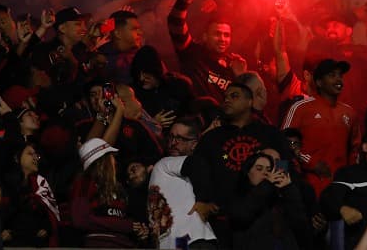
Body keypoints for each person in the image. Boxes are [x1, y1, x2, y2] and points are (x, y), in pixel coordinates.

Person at [181, 82, 290, 248]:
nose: (227, 100)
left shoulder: (270, 134)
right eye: (225, 97)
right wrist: (204, 200)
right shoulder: (212, 138)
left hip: (264, 216)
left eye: (234, 96)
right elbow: (199, 169)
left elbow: (285, 165)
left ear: (250, 102)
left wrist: (281, 195)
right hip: (225, 221)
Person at [167, 0, 247, 103]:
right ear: (205, 36)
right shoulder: (192, 53)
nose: (222, 39)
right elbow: (175, 20)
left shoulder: (234, 64)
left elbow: (242, 105)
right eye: (217, 34)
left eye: (226, 35)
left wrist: (242, 78)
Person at [282, 59, 359, 196]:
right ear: (319, 82)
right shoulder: (300, 108)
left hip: (341, 192)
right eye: (332, 75)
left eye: (340, 75)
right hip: (307, 190)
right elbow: (282, 143)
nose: (338, 79)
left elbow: (355, 150)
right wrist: (310, 162)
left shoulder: (350, 113)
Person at [148, 117, 216, 249]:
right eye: (171, 137)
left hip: (191, 242)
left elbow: (197, 164)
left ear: (194, 144)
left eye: (180, 139)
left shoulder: (165, 164)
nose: (173, 143)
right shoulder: (176, 169)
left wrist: (203, 200)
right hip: (182, 243)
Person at [70, 137, 149, 248]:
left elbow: (123, 222)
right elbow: (80, 220)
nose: (115, 162)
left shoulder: (120, 189)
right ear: (103, 161)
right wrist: (124, 225)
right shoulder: (84, 183)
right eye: (112, 157)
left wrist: (139, 231)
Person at [229, 151, 310, 250]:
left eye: (268, 169)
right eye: (259, 169)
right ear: (248, 172)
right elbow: (241, 215)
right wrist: (266, 185)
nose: (265, 173)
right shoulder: (239, 196)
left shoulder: (277, 196)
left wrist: (288, 189)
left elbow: (301, 226)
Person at [2, 143, 60, 247]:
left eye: (37, 155)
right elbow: (1, 212)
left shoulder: (41, 184)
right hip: (11, 242)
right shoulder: (7, 184)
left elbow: (49, 214)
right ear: (17, 158)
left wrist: (46, 229)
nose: (35, 158)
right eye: (30, 153)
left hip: (36, 243)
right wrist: (3, 231)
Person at [99, 10, 145, 85]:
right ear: (118, 33)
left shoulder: (143, 55)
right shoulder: (102, 61)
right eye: (134, 29)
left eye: (139, 29)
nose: (140, 33)